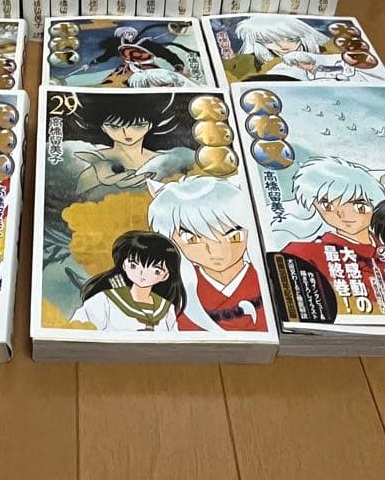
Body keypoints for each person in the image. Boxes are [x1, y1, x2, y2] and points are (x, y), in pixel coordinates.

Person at [148, 177, 263, 330]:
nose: (215, 250)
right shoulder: (172, 291)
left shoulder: (268, 276)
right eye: (192, 239)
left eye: (233, 236)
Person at [69, 92, 193, 194]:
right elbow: (76, 198)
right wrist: (96, 179)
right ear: (103, 127)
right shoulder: (96, 161)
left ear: (150, 125)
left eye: (138, 125)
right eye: (114, 126)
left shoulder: (168, 161)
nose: (126, 133)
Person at [70, 230, 184, 331]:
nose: (142, 274)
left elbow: (175, 342)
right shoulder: (104, 301)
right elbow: (77, 331)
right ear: (124, 265)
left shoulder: (166, 309)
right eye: (134, 265)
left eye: (156, 271)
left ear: (165, 276)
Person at [228, 15, 325, 78]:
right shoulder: (253, 62)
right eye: (269, 41)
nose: (282, 46)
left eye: (290, 39)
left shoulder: (322, 52)